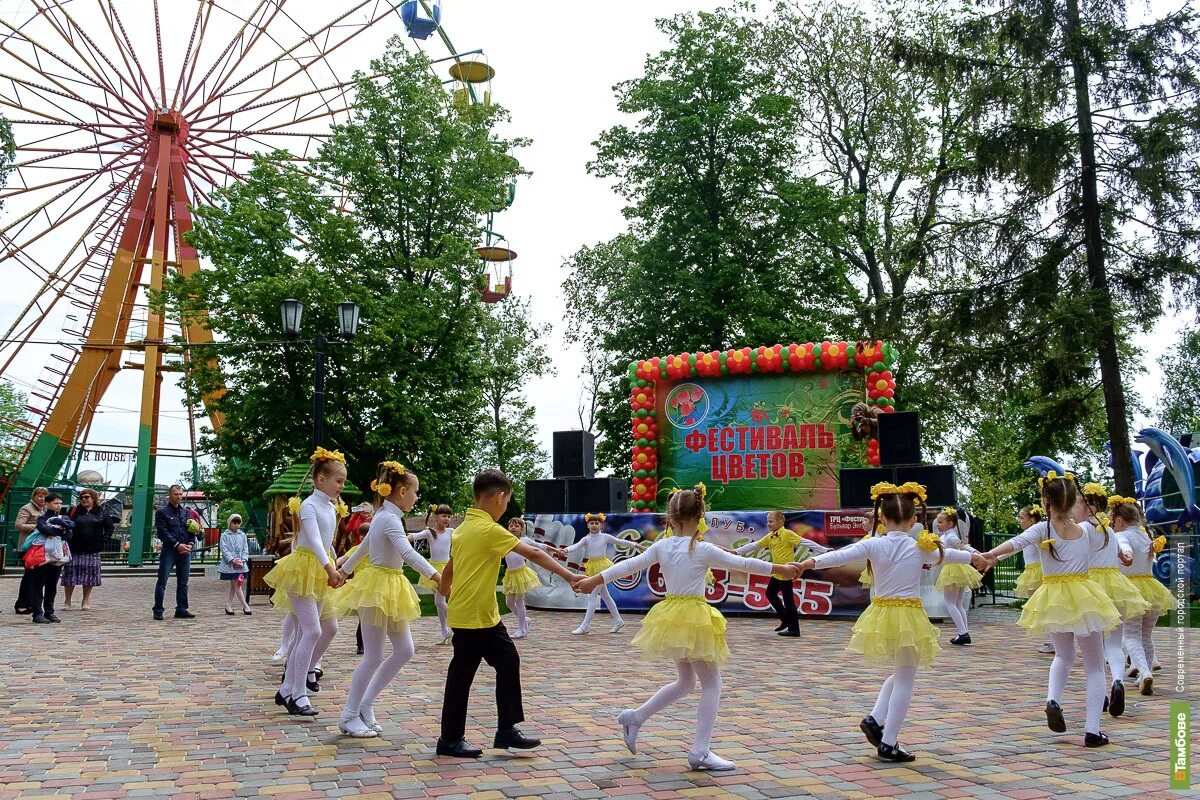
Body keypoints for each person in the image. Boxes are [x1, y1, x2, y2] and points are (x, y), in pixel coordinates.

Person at [575, 486, 803, 771]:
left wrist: (592, 580)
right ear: (700, 515)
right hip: (692, 617)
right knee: (711, 684)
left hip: (672, 616)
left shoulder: (663, 545)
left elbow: (628, 566)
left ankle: (635, 717)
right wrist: (781, 570)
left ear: (671, 517)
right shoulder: (701, 548)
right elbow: (742, 563)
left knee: (686, 682)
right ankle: (700, 752)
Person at [795, 482, 989, 762]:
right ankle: (888, 742)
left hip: (882, 612)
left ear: (882, 518)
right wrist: (977, 556)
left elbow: (837, 557)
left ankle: (875, 719)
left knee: (901, 673)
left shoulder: (875, 543)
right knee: (906, 678)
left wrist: (806, 564)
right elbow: (953, 556)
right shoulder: (920, 546)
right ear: (914, 520)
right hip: (908, 615)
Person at [436, 469, 582, 758]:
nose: (505, 507)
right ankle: (486, 733)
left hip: (470, 613)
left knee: (474, 671)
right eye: (507, 500)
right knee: (487, 667)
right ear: (500, 497)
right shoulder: (489, 530)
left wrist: (444, 587)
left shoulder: (463, 528)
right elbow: (535, 554)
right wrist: (571, 577)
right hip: (477, 616)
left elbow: (450, 568)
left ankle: (467, 736)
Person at [980, 471, 1121, 747]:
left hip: (1053, 596)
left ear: (1046, 501)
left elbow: (1015, 544)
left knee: (1063, 656)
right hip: (1084, 596)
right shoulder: (1086, 531)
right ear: (1073, 502)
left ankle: (1053, 699)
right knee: (1094, 666)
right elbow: (1103, 546)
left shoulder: (1042, 529)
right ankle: (1092, 731)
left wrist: (988, 556)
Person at [332, 461, 441, 737]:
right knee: (373, 655)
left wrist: (343, 570)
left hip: (389, 585)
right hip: (378, 586)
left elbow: (362, 549)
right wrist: (438, 578)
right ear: (402, 491)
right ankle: (349, 714)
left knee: (404, 650)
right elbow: (407, 553)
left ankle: (365, 706)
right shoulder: (388, 518)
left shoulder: (385, 515)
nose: (417, 498)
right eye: (415, 493)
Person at [265, 447, 348, 716]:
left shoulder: (331, 506)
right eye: (338, 481)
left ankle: (291, 683)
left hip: (319, 568)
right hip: (302, 569)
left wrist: (336, 561)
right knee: (311, 631)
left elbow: (326, 542)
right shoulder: (310, 505)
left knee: (329, 628)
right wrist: (329, 568)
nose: (341, 486)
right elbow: (312, 539)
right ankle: (296, 693)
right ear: (320, 480)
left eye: (342, 481)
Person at [1078, 483, 1146, 717]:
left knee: (1096, 648)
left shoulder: (1082, 529)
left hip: (1091, 587)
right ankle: (1118, 680)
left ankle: (1103, 692)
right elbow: (1123, 554)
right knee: (1115, 644)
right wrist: (1126, 556)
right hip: (1115, 584)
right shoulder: (1109, 530)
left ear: (1088, 506)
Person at [1109, 497, 1172, 694]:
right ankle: (1145, 671)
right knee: (1146, 635)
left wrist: (1126, 555)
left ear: (1119, 521)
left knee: (1131, 635)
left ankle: (1145, 672)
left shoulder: (1122, 536)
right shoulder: (1146, 536)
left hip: (1131, 589)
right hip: (1151, 588)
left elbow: (1125, 547)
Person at [734, 510, 829, 636]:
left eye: (771, 521)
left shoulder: (787, 534)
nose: (768, 524)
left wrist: (824, 550)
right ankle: (786, 620)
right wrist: (735, 552)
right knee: (770, 593)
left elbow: (805, 542)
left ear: (781, 522)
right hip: (777, 572)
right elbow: (755, 545)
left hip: (786, 572)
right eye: (767, 521)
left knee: (788, 600)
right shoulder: (771, 536)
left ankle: (794, 629)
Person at [563, 513, 646, 635]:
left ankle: (585, 625)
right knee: (605, 596)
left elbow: (620, 542)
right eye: (592, 523)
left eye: (597, 523)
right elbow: (576, 546)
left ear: (601, 525)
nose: (594, 525)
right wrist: (565, 550)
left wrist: (635, 545)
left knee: (591, 596)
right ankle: (618, 620)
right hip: (592, 567)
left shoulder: (605, 537)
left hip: (602, 567)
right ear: (588, 525)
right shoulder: (586, 539)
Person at [503, 517, 564, 639]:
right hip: (510, 574)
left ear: (521, 529)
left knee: (519, 601)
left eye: (516, 526)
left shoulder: (525, 540)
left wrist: (556, 550)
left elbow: (541, 546)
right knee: (509, 602)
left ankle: (522, 629)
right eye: (511, 526)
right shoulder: (504, 540)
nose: (513, 528)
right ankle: (525, 620)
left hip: (521, 574)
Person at [932, 507, 981, 645]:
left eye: (941, 522)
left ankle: (963, 633)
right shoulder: (945, 535)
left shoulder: (950, 535)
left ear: (950, 523)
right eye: (938, 521)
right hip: (958, 568)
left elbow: (963, 546)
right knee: (957, 604)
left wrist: (977, 553)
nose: (937, 524)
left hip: (952, 569)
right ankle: (963, 632)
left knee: (950, 603)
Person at [409, 504, 455, 644]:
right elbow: (414, 536)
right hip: (433, 569)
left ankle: (456, 624)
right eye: (443, 515)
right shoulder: (430, 532)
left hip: (446, 568)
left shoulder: (452, 532)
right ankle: (445, 631)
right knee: (439, 603)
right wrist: (399, 538)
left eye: (448, 516)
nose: (446, 518)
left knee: (439, 601)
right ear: (436, 517)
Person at [1011, 505, 1054, 653]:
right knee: (1040, 607)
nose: (1019, 521)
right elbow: (1014, 548)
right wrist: (994, 557)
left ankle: (1053, 640)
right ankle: (1052, 640)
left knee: (1043, 607)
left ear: (1031, 519)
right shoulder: (1031, 533)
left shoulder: (1036, 533)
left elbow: (1045, 552)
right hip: (1032, 572)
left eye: (1022, 518)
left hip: (1037, 572)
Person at [61, 489, 111, 611]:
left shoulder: (101, 511)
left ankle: (86, 599)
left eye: (87, 497)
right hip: (75, 547)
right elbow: (66, 525)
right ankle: (67, 600)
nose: (84, 499)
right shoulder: (74, 511)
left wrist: (103, 540)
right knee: (70, 574)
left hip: (92, 548)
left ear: (93, 498)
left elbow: (109, 527)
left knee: (89, 575)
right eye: (82, 497)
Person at [152, 484, 196, 620]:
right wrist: (177, 545)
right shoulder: (162, 512)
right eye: (176, 494)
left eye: (180, 494)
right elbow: (163, 533)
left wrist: (190, 543)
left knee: (183, 582)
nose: (179, 496)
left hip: (184, 551)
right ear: (169, 495)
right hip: (169, 550)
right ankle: (158, 609)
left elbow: (191, 529)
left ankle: (181, 609)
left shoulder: (186, 512)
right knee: (162, 581)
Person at [28, 493, 73, 623]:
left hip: (57, 555)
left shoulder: (64, 517)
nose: (58, 505)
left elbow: (69, 534)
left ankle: (49, 611)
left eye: (60, 503)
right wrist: (61, 531)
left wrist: (62, 531)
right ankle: (37, 613)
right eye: (55, 503)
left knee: (52, 585)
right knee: (38, 583)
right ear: (47, 504)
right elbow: (45, 530)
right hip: (42, 554)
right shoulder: (42, 518)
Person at [13, 487, 48, 615]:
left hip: (40, 548)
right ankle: (22, 604)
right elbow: (18, 525)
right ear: (34, 497)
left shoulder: (45, 510)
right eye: (39, 496)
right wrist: (39, 527)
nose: (42, 498)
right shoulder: (27, 508)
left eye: (44, 496)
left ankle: (32, 603)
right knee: (29, 576)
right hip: (28, 547)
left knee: (37, 578)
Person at [218, 514, 252, 615]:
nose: (236, 525)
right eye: (234, 523)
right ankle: (245, 605)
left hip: (241, 564)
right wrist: (232, 560)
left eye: (238, 523)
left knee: (235, 585)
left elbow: (245, 548)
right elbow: (224, 549)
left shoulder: (242, 535)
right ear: (230, 523)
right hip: (230, 565)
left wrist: (243, 560)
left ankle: (228, 605)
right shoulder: (224, 536)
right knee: (236, 584)